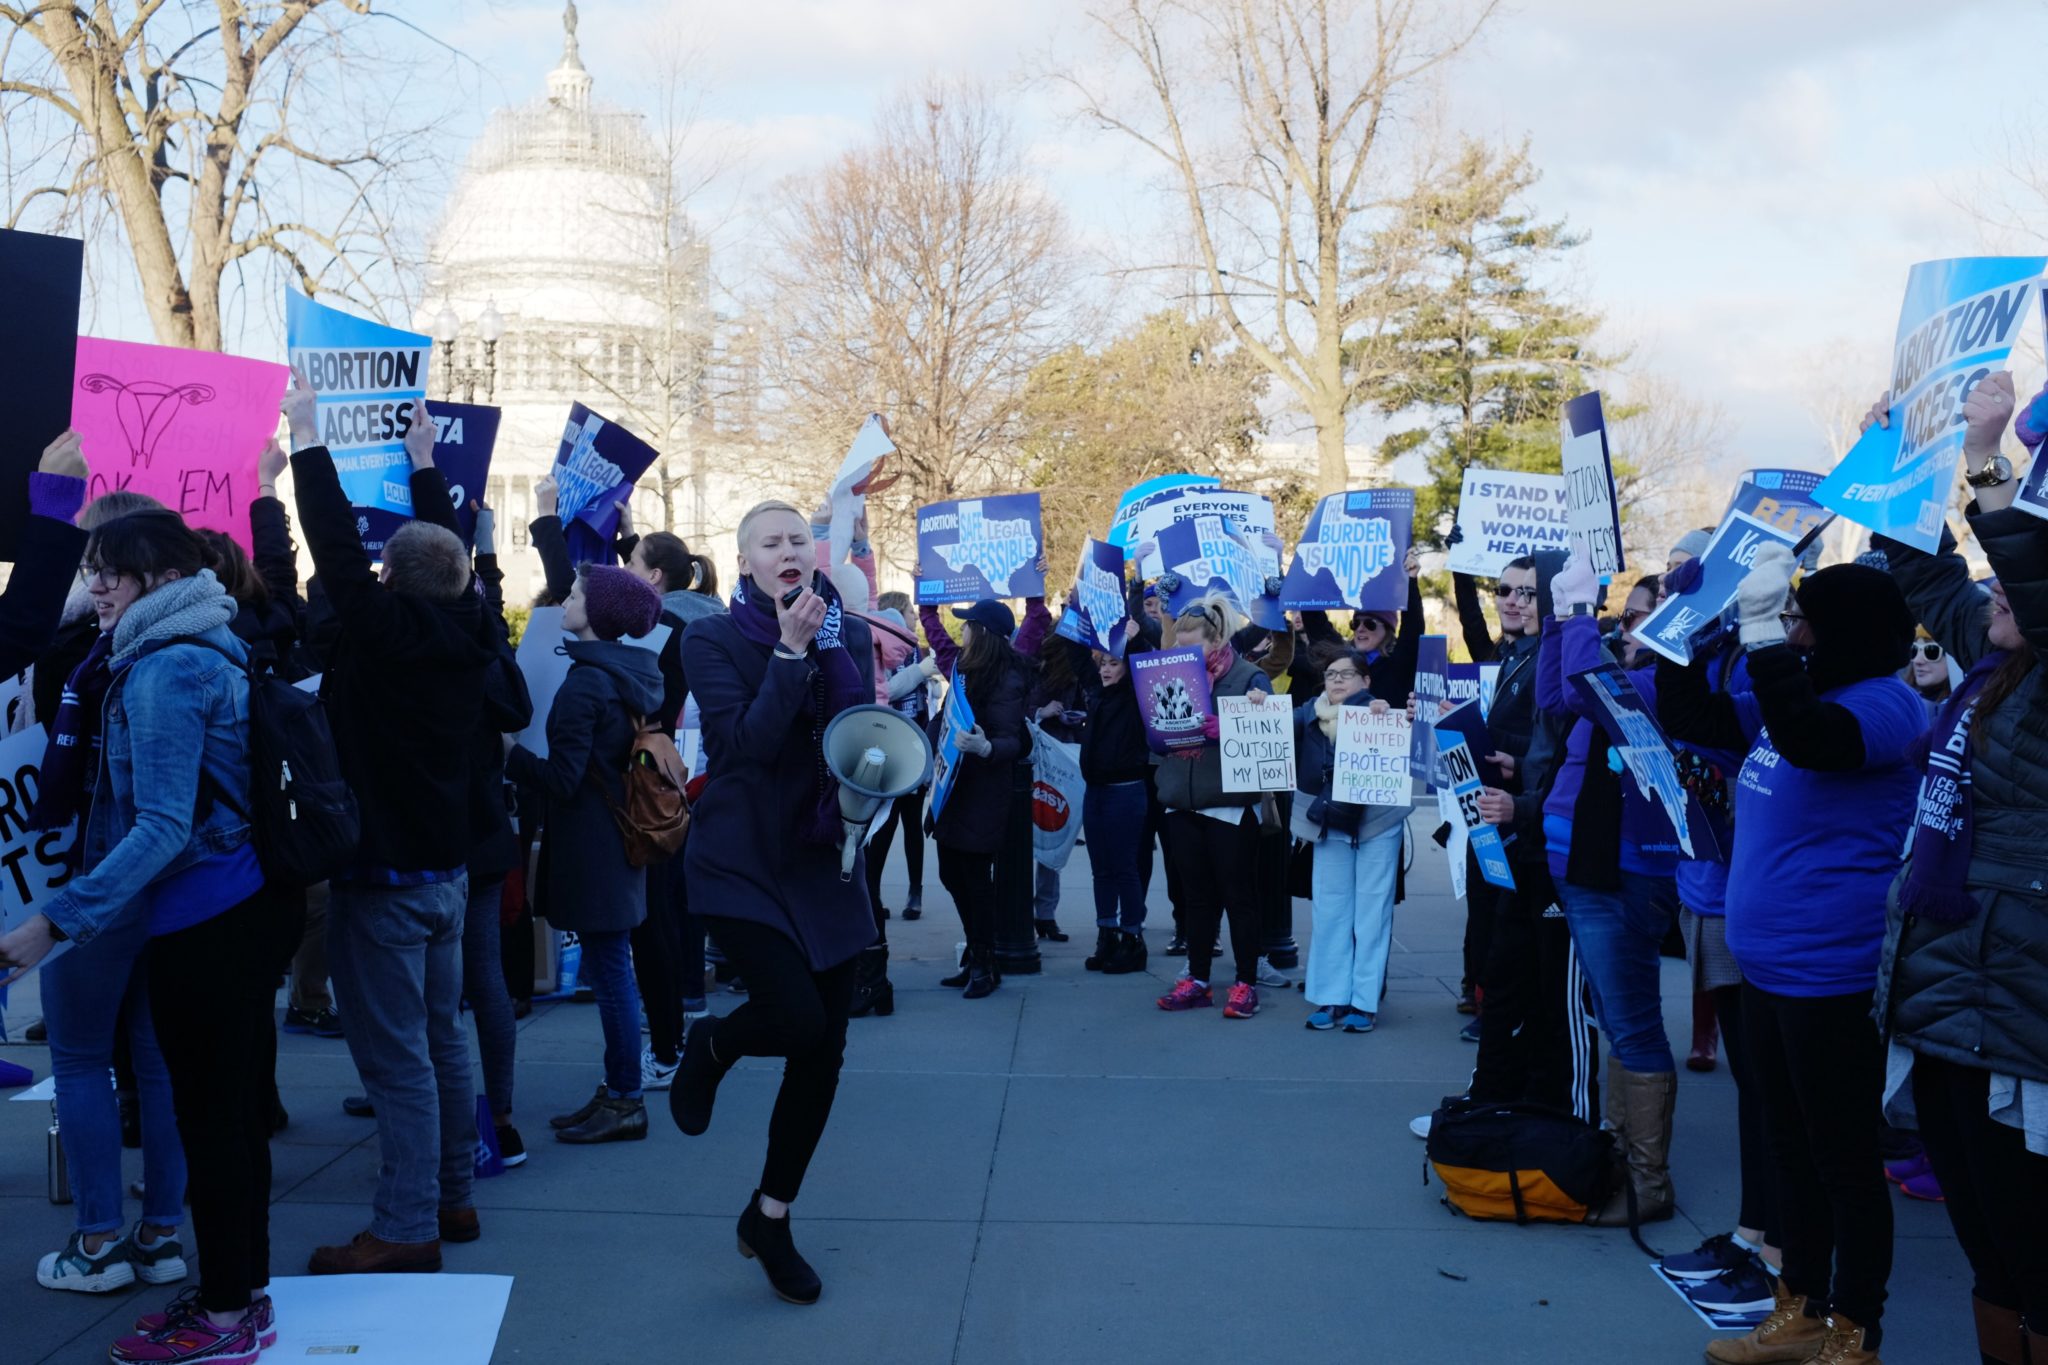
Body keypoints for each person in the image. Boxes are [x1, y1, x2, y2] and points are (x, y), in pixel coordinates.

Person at [0, 508, 277, 1365]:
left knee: (212, 1121)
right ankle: (235, 1295)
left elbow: (158, 826)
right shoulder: (202, 644)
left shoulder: (163, 669)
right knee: (215, 1115)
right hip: (221, 909)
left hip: (204, 915)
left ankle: (227, 1318)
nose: (95, 589)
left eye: (109, 572)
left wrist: (55, 920)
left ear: (158, 576)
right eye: (93, 571)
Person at [1658, 542, 1925, 1365]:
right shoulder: (1795, 696)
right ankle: (1799, 1309)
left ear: (1844, 630)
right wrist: (1691, 624)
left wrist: (1766, 634)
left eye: (1808, 621)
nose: (1797, 633)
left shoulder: (1888, 704)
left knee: (1841, 1160)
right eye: (1791, 621)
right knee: (1788, 1149)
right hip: (1767, 969)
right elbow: (1694, 719)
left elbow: (1815, 741)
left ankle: (1856, 1330)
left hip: (1830, 976)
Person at [283, 375, 494, 1276]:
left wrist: (306, 442)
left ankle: (406, 1223)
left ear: (387, 582)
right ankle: (453, 1193)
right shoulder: (474, 630)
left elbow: (333, 547)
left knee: (398, 1059)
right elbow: (444, 553)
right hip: (447, 875)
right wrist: (421, 465)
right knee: (444, 1040)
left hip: (386, 883)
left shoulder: (383, 633)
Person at [1871, 370, 2048, 1365]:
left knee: (2031, 1249)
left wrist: (1982, 460)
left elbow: (2026, 578)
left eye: (2008, 591)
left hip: (2015, 1009)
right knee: (1986, 1250)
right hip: (1944, 994)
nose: (1988, 601)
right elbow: (1925, 572)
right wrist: (1898, 466)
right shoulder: (1988, 661)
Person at [668, 499, 874, 1306]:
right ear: (746, 559)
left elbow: (859, 734)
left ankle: (771, 1215)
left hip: (824, 857)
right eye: (770, 542)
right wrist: (790, 656)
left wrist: (831, 655)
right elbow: (741, 747)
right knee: (794, 1017)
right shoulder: (710, 638)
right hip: (742, 858)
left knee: (822, 1054)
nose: (788, 550)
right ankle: (713, 1044)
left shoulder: (844, 630)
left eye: (798, 539)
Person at [1539, 550, 1683, 1227]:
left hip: (1622, 870)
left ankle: (1647, 1178)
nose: (1628, 628)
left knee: (1631, 1021)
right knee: (1614, 1016)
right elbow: (1555, 695)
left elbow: (1586, 690)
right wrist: (1555, 624)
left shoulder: (1664, 684)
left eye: (1644, 619)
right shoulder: (1625, 671)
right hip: (1585, 866)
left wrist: (1576, 617)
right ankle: (1621, 1156)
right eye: (1625, 616)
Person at [508, 564, 665, 1143]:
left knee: (612, 975)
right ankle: (617, 1088)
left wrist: (509, 753)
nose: (565, 601)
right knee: (613, 970)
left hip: (595, 848)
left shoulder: (586, 682)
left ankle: (625, 1099)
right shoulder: (624, 673)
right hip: (618, 843)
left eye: (574, 594)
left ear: (598, 614)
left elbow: (563, 778)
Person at [617, 527, 722, 1084]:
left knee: (659, 909)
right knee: (679, 897)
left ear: (655, 577)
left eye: (631, 561)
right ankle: (685, 1005)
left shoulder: (661, 628)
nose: (624, 570)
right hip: (695, 775)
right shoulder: (706, 616)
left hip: (661, 778)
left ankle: (668, 1036)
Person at [1153, 595, 1272, 1019]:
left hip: (1229, 808)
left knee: (1238, 897)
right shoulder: (1173, 677)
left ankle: (1244, 983)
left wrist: (1238, 725)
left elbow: (1272, 741)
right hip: (1181, 804)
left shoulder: (1249, 677)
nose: (1184, 655)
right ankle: (1199, 980)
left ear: (1217, 638)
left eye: (1193, 647)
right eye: (1179, 647)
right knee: (1196, 899)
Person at [916, 595, 1030, 997]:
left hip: (983, 791)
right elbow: (944, 716)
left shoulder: (1007, 676)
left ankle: (984, 961)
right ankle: (978, 953)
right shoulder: (964, 668)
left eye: (966, 625)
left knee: (976, 879)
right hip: (953, 788)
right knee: (951, 872)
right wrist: (924, 748)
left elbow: (1010, 739)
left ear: (982, 633)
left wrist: (986, 747)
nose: (960, 631)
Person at [1292, 646, 1405, 1033]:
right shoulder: (1310, 712)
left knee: (1372, 913)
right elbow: (1270, 724)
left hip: (1376, 822)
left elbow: (1407, 737)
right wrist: (1258, 702)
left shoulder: (1379, 713)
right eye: (1330, 675)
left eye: (1346, 674)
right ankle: (1331, 996)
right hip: (1330, 823)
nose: (1337, 680)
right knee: (1330, 910)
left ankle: (1364, 1002)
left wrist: (1389, 714)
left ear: (1366, 681)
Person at [1078, 620, 1154, 974]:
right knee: (1101, 869)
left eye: (1113, 663)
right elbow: (1074, 650)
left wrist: (1135, 640)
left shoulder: (1135, 695)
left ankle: (1132, 938)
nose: (1106, 670)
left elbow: (1143, 667)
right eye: (1103, 664)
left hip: (1125, 791)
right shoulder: (1098, 693)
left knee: (1125, 868)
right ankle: (1106, 932)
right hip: (1096, 791)